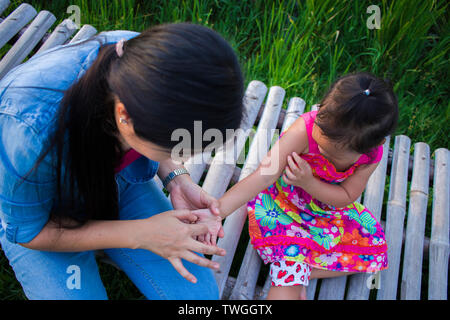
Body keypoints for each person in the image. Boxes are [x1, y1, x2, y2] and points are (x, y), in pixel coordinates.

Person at [0, 23, 244, 299]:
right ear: (124, 117)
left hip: (115, 180)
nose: (183, 158)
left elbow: (158, 125)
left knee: (198, 298)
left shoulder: (142, 62)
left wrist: (177, 179)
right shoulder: (29, 133)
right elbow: (29, 232)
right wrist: (141, 234)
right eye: (177, 149)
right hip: (46, 214)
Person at [193, 72, 398, 300]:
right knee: (291, 267)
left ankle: (305, 268)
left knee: (376, 249)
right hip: (282, 208)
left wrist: (309, 182)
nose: (320, 152)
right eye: (320, 144)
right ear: (320, 110)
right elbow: (264, 175)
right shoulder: (305, 128)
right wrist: (216, 212)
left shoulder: (371, 156)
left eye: (330, 153)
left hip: (327, 212)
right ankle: (294, 268)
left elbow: (347, 195)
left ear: (375, 145)